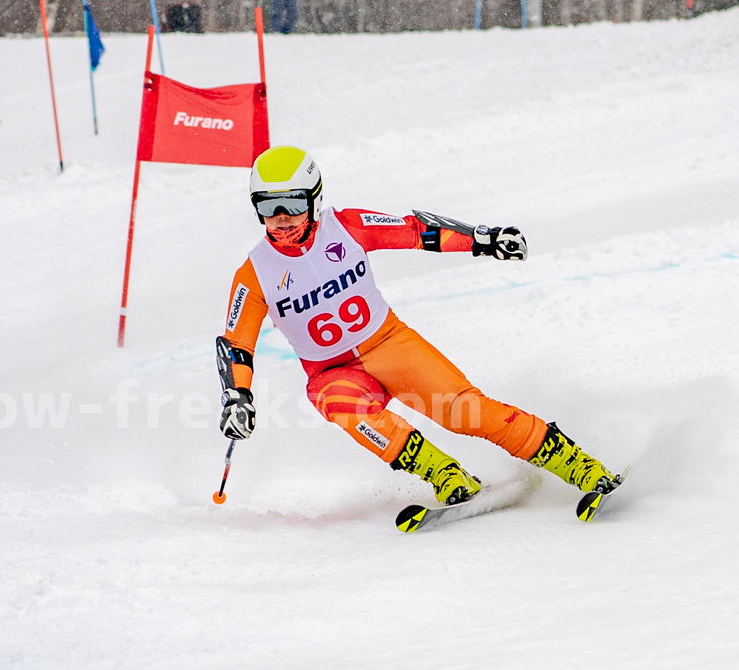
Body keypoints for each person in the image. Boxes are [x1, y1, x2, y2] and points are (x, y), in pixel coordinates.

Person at [216, 145, 621, 526]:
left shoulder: (347, 226)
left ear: (315, 199)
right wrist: (238, 397)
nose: (281, 217)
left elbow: (416, 231)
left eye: (292, 204)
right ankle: (446, 475)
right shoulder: (255, 273)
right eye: (268, 207)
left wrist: (481, 239)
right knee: (342, 406)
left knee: (465, 412)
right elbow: (237, 343)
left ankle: (581, 466)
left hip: (390, 344)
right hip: (332, 371)